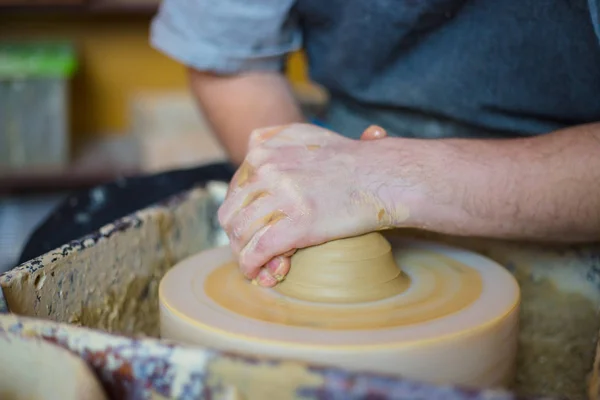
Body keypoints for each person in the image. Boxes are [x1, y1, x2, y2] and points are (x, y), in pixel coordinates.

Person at [151, 1, 600, 287]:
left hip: (565, 174)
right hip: (345, 146)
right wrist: (293, 200)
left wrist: (396, 176)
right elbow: (233, 61)